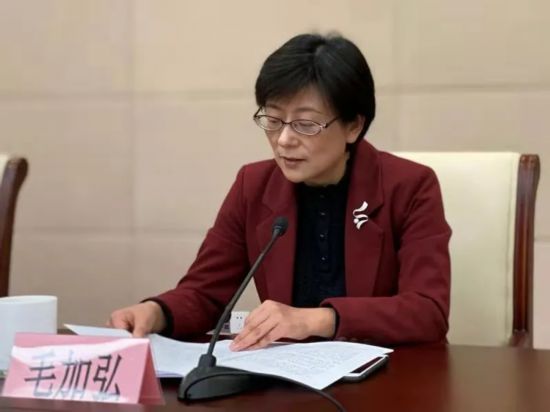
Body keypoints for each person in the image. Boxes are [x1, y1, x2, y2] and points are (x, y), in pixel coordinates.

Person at [109, 33, 451, 349]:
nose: (284, 140)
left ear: (353, 126)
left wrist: (318, 320)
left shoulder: (409, 186)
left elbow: (427, 311)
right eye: (273, 121)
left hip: (388, 375)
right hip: (287, 374)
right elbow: (205, 293)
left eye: (305, 124)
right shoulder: (254, 186)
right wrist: (156, 312)